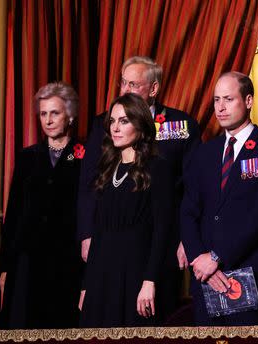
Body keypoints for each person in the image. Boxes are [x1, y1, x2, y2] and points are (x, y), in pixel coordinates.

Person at [77, 56, 200, 321]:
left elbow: (193, 187)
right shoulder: (104, 132)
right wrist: (86, 237)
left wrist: (187, 238)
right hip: (106, 255)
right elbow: (89, 187)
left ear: (153, 89)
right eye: (123, 83)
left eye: (132, 84)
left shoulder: (181, 126)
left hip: (151, 247)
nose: (124, 90)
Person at [181, 72, 258, 326]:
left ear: (249, 100)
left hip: (247, 272)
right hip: (205, 276)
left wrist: (217, 257)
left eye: (228, 99)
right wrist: (199, 259)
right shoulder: (204, 152)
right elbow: (188, 210)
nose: (220, 107)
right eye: (217, 99)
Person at [79, 93, 174, 327]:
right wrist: (86, 284)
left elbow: (163, 230)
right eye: (112, 121)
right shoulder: (106, 168)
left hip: (135, 271)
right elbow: (98, 233)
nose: (115, 128)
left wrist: (150, 280)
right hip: (102, 272)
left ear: (140, 125)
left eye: (124, 121)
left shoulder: (157, 167)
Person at [0, 82, 84, 329]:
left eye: (54, 113)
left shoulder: (86, 155)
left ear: (69, 115)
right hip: (27, 260)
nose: (47, 120)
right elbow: (13, 214)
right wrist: (6, 268)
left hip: (67, 263)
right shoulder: (28, 156)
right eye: (43, 113)